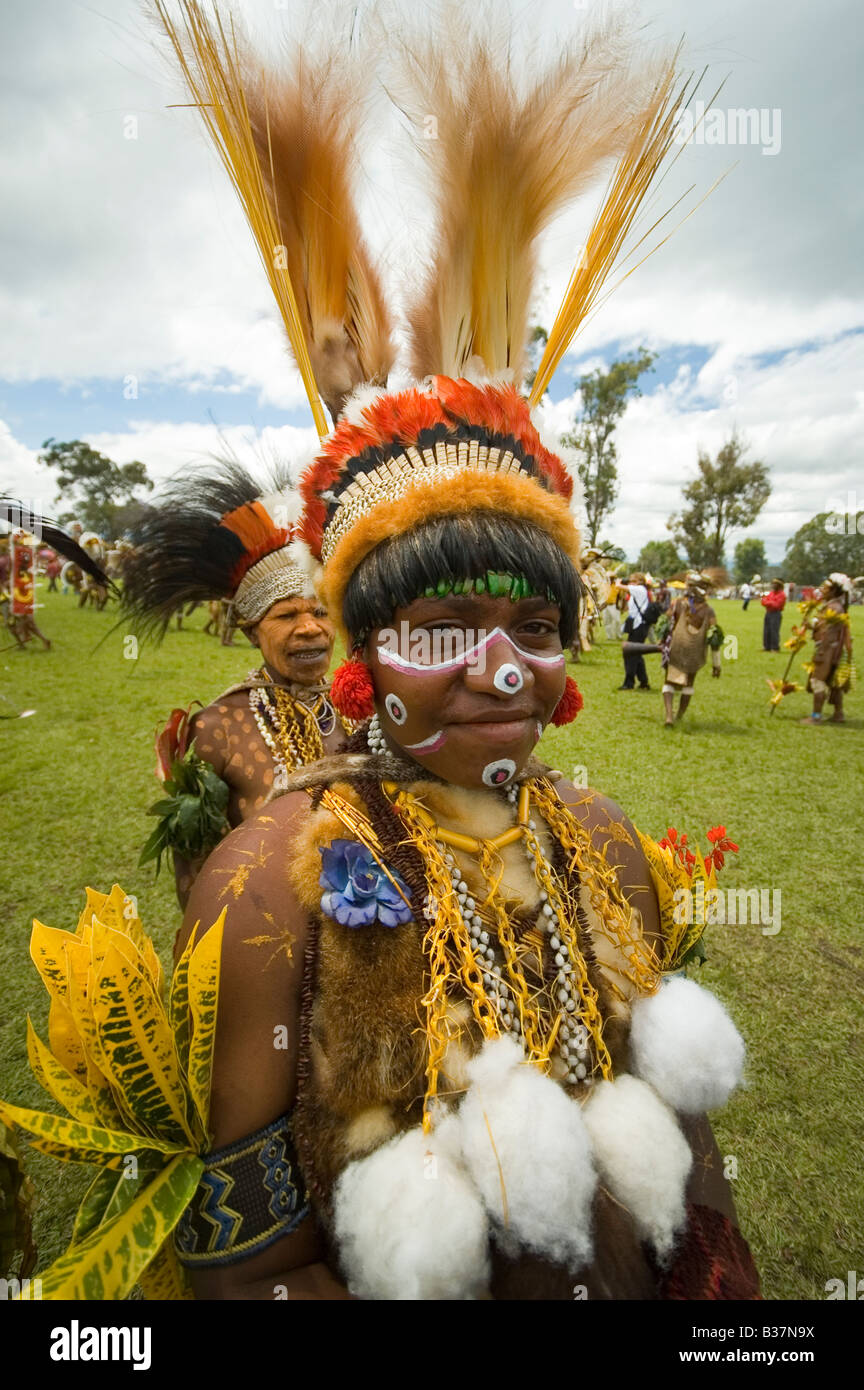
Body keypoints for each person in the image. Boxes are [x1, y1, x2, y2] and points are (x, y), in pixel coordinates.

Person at [1, 9, 760, 1304]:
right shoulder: (265, 887)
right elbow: (242, 1274)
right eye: (439, 630)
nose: (499, 667)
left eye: (533, 625)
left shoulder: (610, 838)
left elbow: (696, 1200)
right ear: (365, 656)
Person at [121, 466, 353, 907]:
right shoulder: (217, 726)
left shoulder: (361, 705)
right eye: (286, 616)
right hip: (264, 927)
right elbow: (196, 871)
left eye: (320, 614)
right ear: (251, 633)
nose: (309, 629)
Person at [661, 574, 722, 725]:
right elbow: (714, 638)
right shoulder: (708, 611)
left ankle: (669, 715)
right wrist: (716, 663)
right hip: (695, 652)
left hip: (676, 648)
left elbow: (665, 623)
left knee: (670, 681)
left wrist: (663, 641)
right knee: (688, 683)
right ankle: (679, 716)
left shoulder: (677, 604)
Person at [800, 573, 854, 725]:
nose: (822, 590)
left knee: (818, 681)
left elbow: (827, 633)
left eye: (825, 587)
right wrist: (810, 625)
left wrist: (822, 652)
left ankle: (816, 716)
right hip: (834, 650)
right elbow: (824, 627)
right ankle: (839, 714)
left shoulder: (833, 608)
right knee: (834, 682)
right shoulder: (837, 607)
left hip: (827, 650)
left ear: (834, 590)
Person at [619, 571, 653, 690]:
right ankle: (643, 682)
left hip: (639, 626)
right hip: (637, 625)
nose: (630, 582)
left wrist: (618, 582)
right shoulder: (638, 590)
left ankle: (629, 683)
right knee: (637, 654)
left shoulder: (639, 589)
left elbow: (620, 586)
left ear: (639, 581)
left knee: (631, 654)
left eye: (632, 580)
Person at [760, 579, 785, 651]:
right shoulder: (771, 593)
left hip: (776, 614)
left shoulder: (782, 594)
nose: (773, 585)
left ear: (779, 585)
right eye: (773, 584)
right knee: (766, 630)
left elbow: (777, 605)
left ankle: (775, 647)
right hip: (768, 613)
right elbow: (763, 602)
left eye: (775, 584)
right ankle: (766, 646)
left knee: (774, 631)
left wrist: (768, 602)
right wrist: (770, 602)